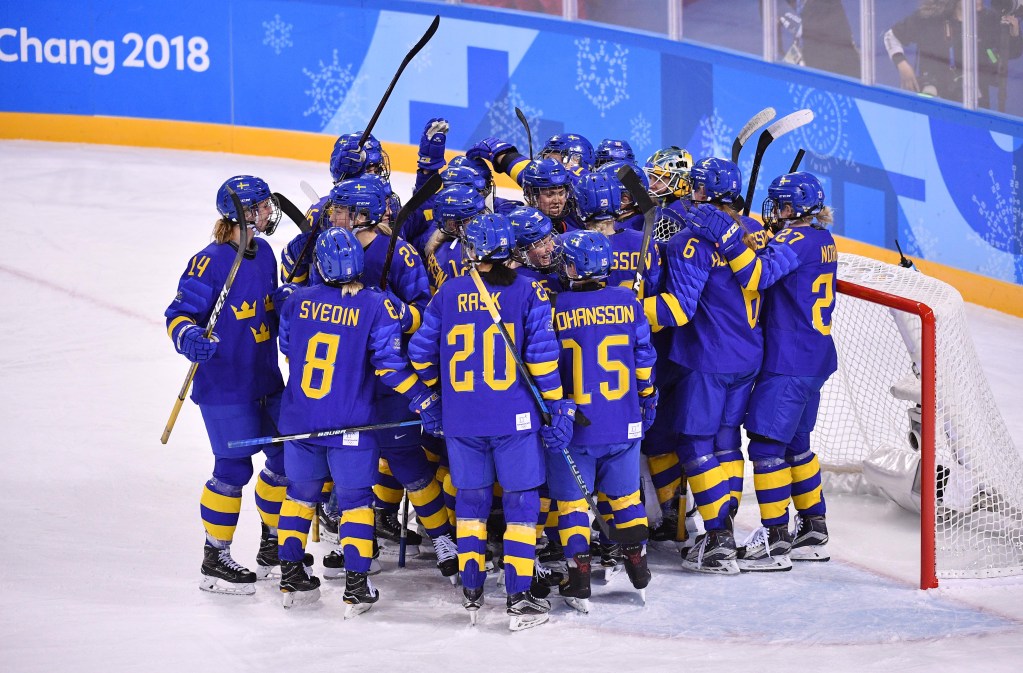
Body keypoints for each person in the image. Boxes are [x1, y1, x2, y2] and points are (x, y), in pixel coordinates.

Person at [408, 212, 573, 631]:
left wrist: (439, 393)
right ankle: (518, 597)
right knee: (520, 503)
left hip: (462, 420)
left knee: (471, 503)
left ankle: (472, 590)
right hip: (514, 419)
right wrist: (553, 409)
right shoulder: (528, 291)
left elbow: (420, 355)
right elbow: (540, 358)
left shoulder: (448, 294)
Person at [274, 227, 443, 613]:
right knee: (354, 504)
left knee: (299, 498)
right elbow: (389, 366)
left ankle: (291, 577)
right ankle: (356, 585)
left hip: (300, 422)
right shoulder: (375, 305)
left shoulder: (296, 301)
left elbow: (288, 348)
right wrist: (424, 398)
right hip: (351, 426)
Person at [689, 171, 837, 570]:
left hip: (788, 362)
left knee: (768, 447)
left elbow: (757, 275)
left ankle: (775, 541)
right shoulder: (823, 239)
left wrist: (730, 239)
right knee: (797, 444)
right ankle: (814, 527)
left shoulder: (797, 240)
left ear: (795, 208)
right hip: (815, 358)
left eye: (782, 205)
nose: (776, 211)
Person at [641, 157, 769, 575]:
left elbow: (678, 309)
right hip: (748, 355)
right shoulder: (754, 232)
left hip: (707, 359)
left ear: (697, 193)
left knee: (696, 444)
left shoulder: (690, 243)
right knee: (727, 443)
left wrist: (625, 310)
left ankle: (717, 539)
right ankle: (723, 526)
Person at [164, 175, 290, 595]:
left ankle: (272, 542)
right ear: (244, 214)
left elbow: (266, 312)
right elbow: (178, 314)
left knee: (287, 457)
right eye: (263, 207)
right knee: (234, 468)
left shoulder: (266, 253)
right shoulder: (210, 261)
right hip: (225, 386)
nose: (270, 213)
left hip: (264, 379)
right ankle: (214, 556)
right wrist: (189, 337)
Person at [549, 229, 657, 613]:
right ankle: (639, 569)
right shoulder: (629, 301)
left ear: (574, 267)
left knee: (573, 506)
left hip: (577, 425)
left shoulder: (556, 306)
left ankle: (578, 578)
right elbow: (643, 360)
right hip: (624, 422)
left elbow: (547, 370)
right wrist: (646, 400)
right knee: (627, 500)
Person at [883, 0, 1022, 109]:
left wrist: (1014, 34)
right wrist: (902, 65)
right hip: (935, 100)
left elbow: (1011, 53)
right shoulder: (929, 18)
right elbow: (891, 36)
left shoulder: (988, 19)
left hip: (976, 103)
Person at [779, 0, 861, 79]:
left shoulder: (827, 5)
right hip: (812, 61)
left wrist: (785, 14)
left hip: (834, 72)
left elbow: (805, 29)